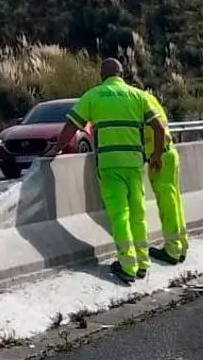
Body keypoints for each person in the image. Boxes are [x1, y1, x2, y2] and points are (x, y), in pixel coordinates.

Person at [44, 58, 157, 284]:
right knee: (138, 212)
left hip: (110, 164)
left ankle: (127, 266)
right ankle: (143, 263)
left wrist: (56, 149)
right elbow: (159, 127)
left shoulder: (94, 96)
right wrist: (157, 155)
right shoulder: (137, 96)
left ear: (101, 75)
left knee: (120, 214)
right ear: (122, 74)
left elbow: (71, 126)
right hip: (135, 163)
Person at [136, 86, 189, 266]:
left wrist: (155, 156)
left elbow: (156, 129)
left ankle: (172, 250)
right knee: (175, 202)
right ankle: (181, 245)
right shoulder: (150, 99)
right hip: (170, 153)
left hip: (160, 157)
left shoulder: (139, 102)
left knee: (167, 204)